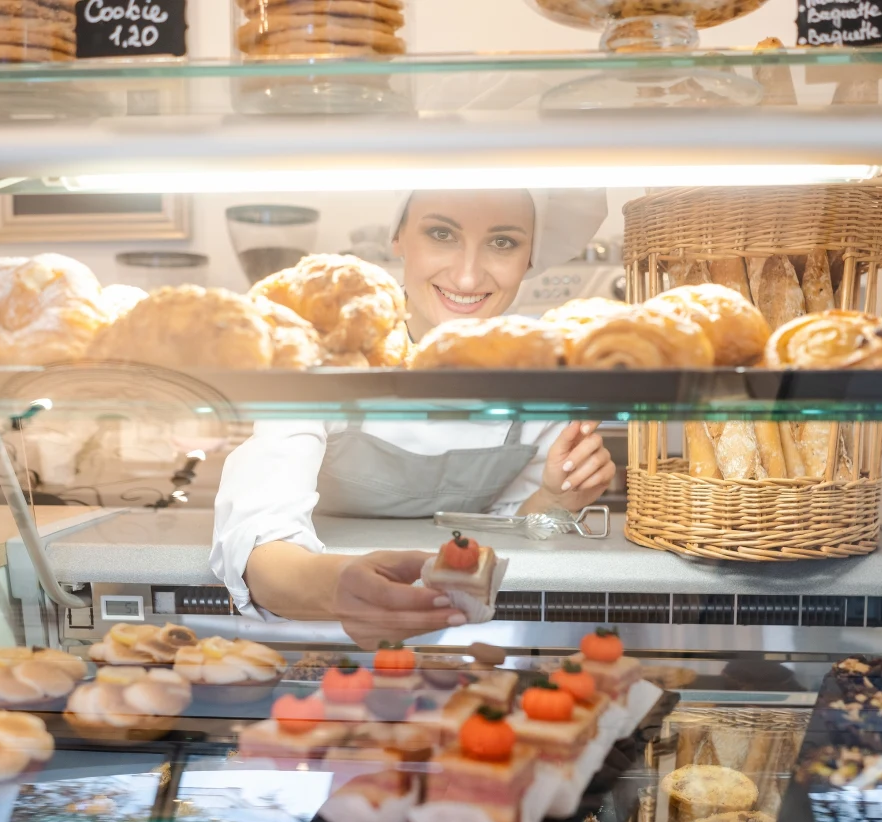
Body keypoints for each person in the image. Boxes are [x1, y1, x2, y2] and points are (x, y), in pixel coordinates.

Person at [211, 188, 611, 647]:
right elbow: (261, 544)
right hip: (311, 632)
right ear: (398, 237)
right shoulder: (329, 349)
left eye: (502, 242)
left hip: (465, 639)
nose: (466, 275)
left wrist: (555, 499)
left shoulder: (545, 371)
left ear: (530, 257)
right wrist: (342, 588)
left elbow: (512, 530)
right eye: (441, 233)